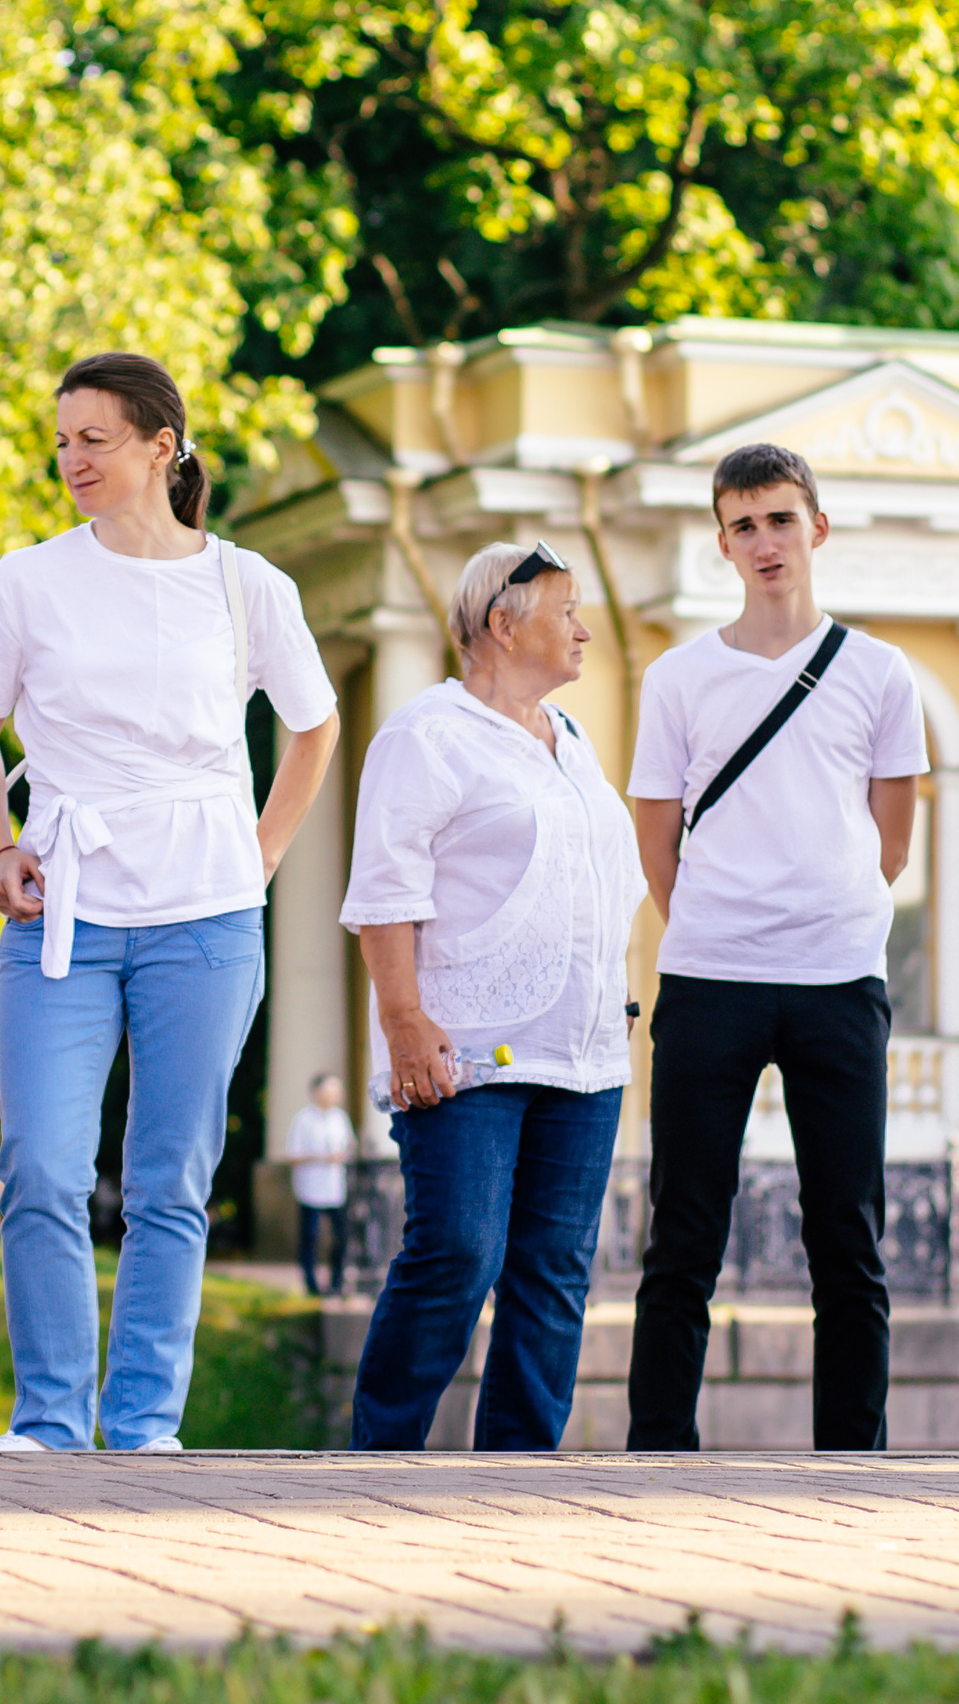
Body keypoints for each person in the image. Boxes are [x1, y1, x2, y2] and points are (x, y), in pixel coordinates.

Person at [0, 352, 340, 1453]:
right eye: (63, 439)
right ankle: (49, 1420)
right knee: (39, 1166)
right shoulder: (26, 580)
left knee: (170, 1180)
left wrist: (259, 858)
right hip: (61, 909)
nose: (69, 458)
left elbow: (313, 727)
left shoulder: (247, 584)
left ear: (163, 449)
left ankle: (143, 1426)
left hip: (206, 917)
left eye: (94, 439)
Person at [624, 446, 925, 1453]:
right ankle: (657, 1451)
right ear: (720, 543)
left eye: (780, 520)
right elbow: (655, 830)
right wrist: (716, 916)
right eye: (743, 525)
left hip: (838, 981)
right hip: (709, 978)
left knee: (847, 1238)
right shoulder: (678, 678)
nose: (764, 542)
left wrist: (822, 908)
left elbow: (892, 838)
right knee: (683, 1236)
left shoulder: (880, 674)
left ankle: (853, 1456)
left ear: (816, 529)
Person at [339, 541, 644, 1451]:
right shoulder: (426, 734)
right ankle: (377, 1460)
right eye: (566, 611)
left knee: (553, 1272)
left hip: (583, 1050)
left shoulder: (573, 740)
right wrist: (402, 1022)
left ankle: (519, 1474)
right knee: (457, 1252)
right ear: (501, 625)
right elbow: (384, 891)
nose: (585, 628)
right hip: (469, 1047)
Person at [283, 1073, 354, 1297]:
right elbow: (293, 1155)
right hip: (310, 1189)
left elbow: (349, 1146)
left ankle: (336, 1282)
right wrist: (322, 1158)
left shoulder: (340, 1118)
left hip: (335, 1188)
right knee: (310, 1236)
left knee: (341, 1237)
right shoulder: (303, 1119)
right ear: (318, 1092)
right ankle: (311, 1283)